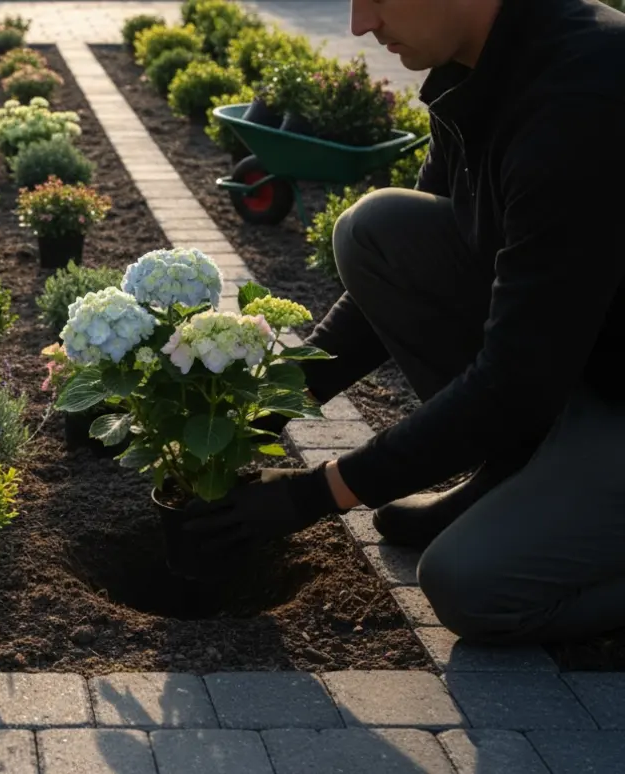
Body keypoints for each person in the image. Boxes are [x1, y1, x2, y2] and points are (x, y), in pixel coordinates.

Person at [185, 0, 625, 646]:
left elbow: (515, 381)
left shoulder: (583, 95)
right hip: (578, 354)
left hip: (610, 397)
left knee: (466, 583)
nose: (360, 25)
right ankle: (516, 476)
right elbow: (415, 269)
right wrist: (275, 404)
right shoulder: (478, 66)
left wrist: (317, 494)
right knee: (377, 232)